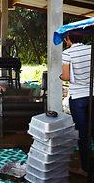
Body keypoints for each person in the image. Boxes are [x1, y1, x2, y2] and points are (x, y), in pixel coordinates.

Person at [60, 33, 94, 177]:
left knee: (83, 134)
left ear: (68, 39)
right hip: (93, 94)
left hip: (78, 97)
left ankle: (85, 169)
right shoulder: (91, 49)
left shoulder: (67, 53)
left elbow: (66, 77)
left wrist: (60, 76)